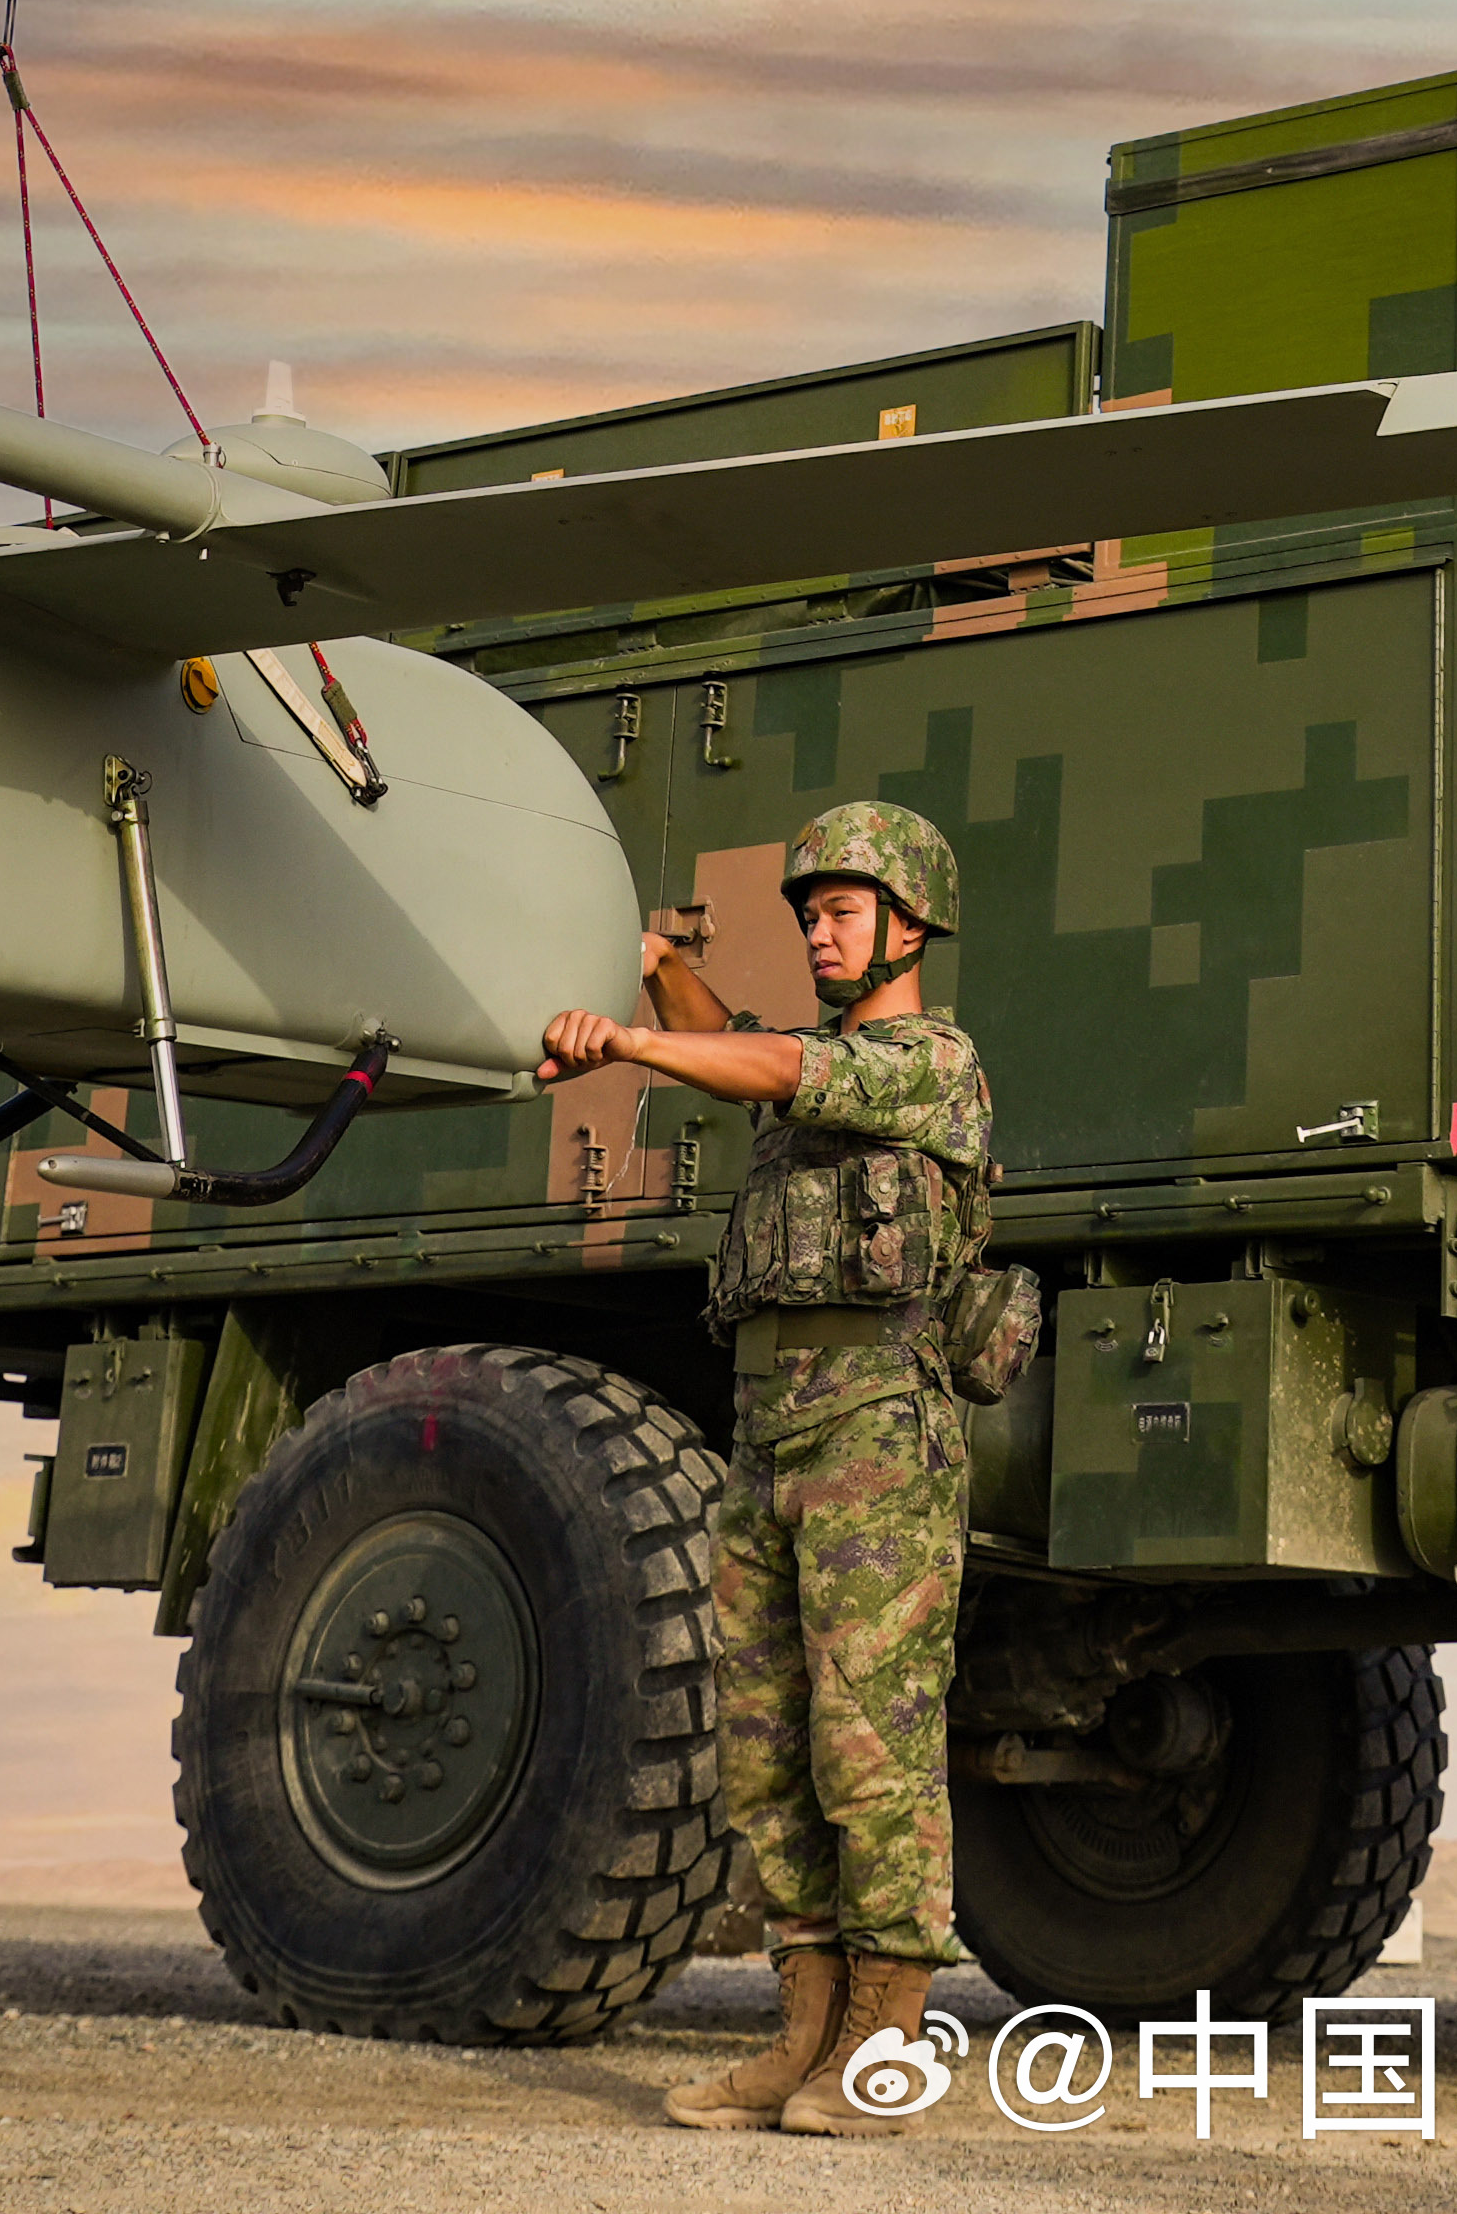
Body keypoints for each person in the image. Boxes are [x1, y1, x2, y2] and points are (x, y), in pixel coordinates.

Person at [540, 799, 992, 2146]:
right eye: (809, 914)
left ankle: (884, 2046)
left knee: (873, 1748)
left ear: (911, 926)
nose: (821, 932)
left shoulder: (929, 1063)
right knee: (767, 1748)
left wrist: (632, 1042)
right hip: (772, 1438)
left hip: (879, 1444)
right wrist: (640, 966)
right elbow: (748, 1037)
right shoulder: (804, 1055)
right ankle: (803, 2029)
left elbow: (781, 1070)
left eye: (844, 912)